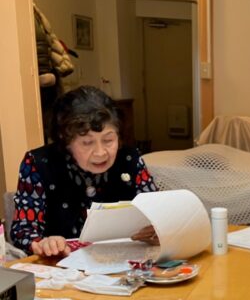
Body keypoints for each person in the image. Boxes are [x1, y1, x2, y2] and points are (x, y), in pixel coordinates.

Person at [11, 85, 158, 257]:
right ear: (66, 140)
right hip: (62, 265)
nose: (100, 152)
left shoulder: (129, 158)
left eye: (108, 140)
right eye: (87, 143)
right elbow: (23, 230)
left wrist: (159, 230)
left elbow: (159, 212)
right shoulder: (39, 163)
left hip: (125, 261)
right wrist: (43, 243)